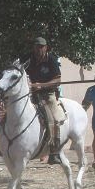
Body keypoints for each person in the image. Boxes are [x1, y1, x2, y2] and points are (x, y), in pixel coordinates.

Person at [25, 36, 64, 164]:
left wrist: (41, 85)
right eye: (36, 46)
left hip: (48, 94)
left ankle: (54, 151)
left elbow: (58, 80)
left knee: (54, 119)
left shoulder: (51, 59)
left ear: (46, 47)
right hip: (31, 94)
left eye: (41, 46)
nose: (38, 49)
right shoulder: (29, 59)